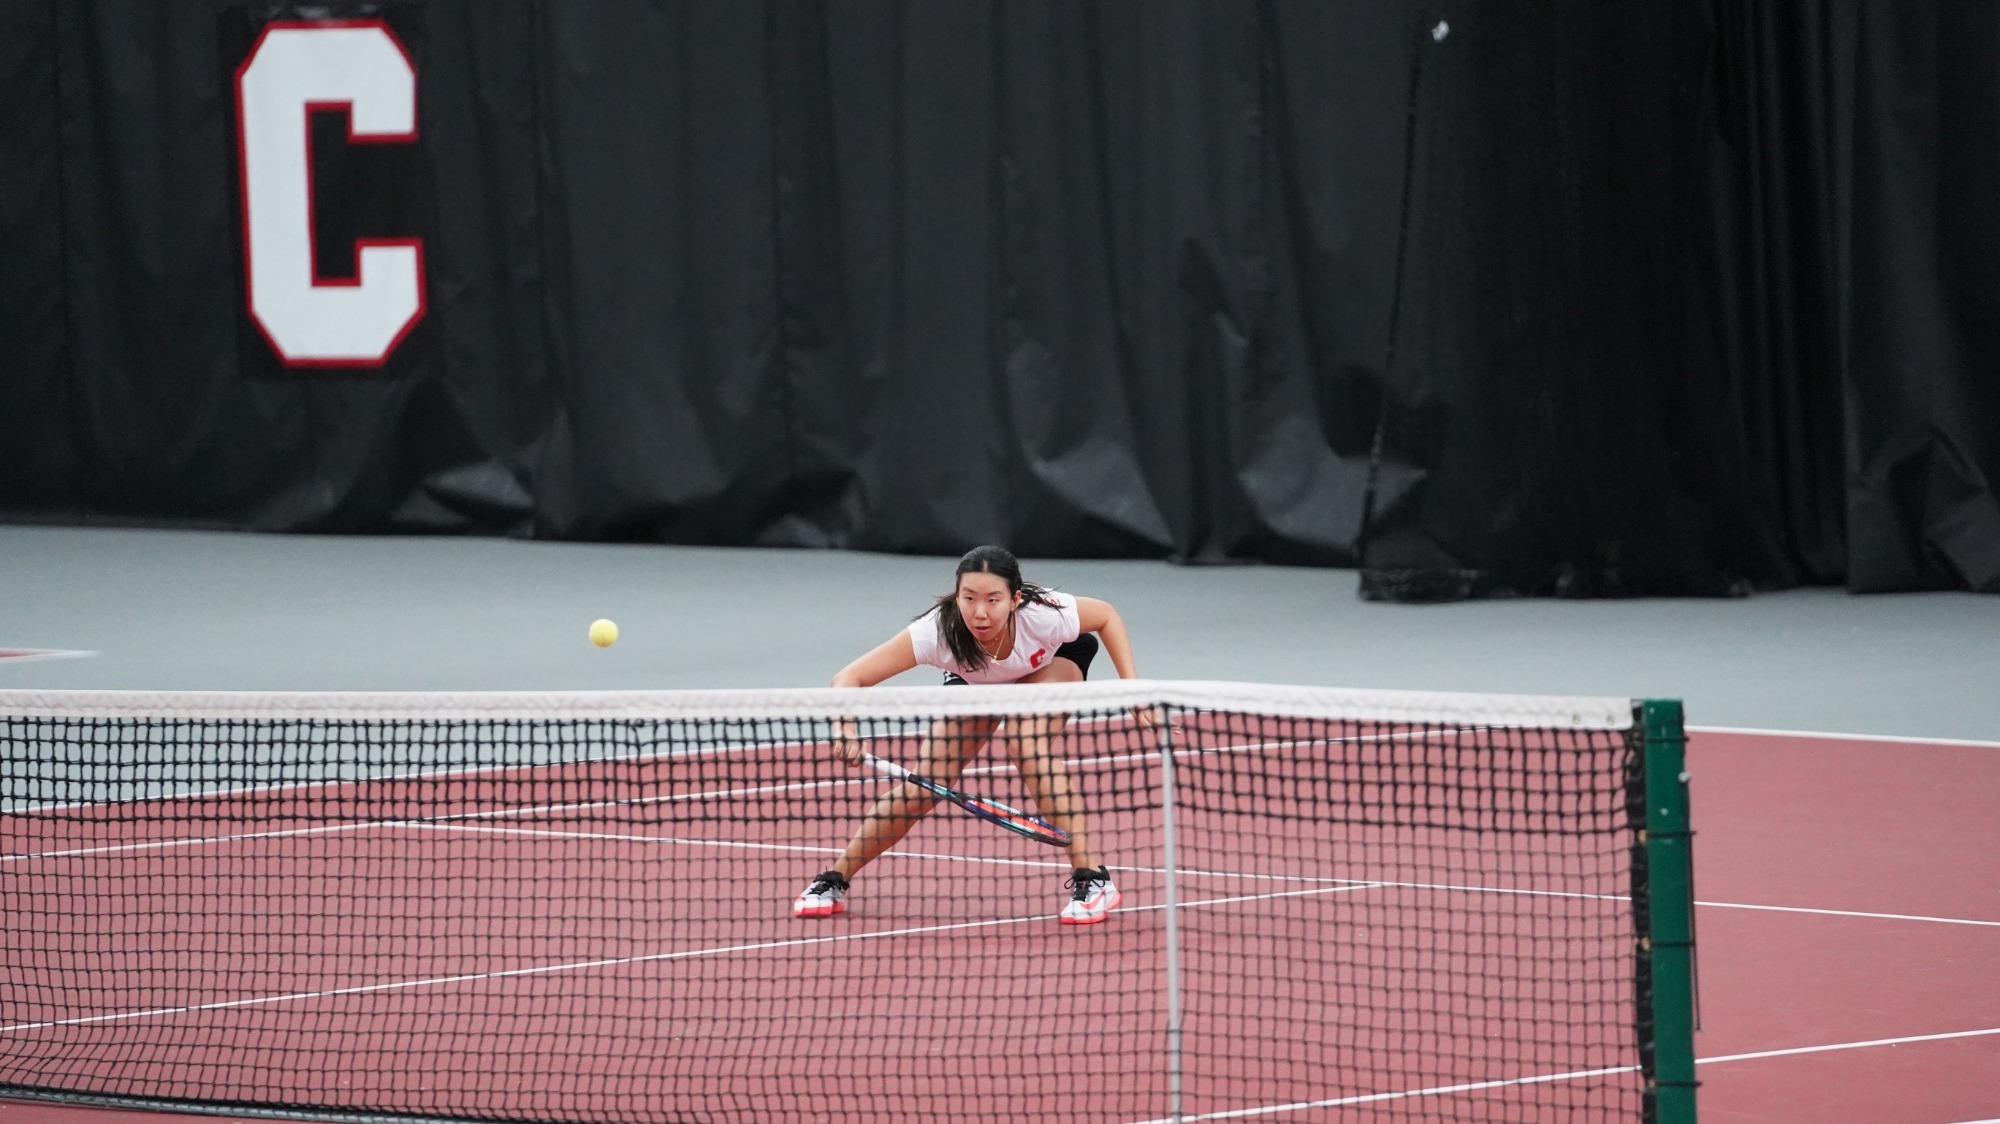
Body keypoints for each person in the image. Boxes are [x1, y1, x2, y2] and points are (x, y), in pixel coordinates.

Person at [793, 545, 1148, 926]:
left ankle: (1092, 878)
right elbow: (849, 677)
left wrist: (1133, 690)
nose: (980, 611)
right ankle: (834, 878)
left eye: (993, 600)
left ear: (1014, 599)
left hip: (1052, 661)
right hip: (974, 675)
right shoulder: (938, 631)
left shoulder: (1044, 613)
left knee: (1026, 744)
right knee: (925, 784)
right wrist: (844, 728)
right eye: (970, 598)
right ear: (956, 596)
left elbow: (1107, 616)